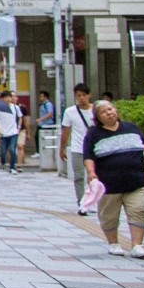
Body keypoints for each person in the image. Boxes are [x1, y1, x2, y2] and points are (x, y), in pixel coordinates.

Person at [86, 97, 144, 259]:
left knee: (139, 211)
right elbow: (88, 156)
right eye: (104, 111)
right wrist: (91, 172)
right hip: (109, 184)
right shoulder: (94, 133)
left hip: (136, 181)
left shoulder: (131, 127)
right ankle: (113, 242)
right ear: (98, 117)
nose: (109, 113)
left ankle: (137, 245)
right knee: (109, 216)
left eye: (111, 109)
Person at [61, 84, 97, 212]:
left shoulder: (96, 110)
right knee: (79, 176)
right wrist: (62, 148)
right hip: (77, 147)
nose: (81, 98)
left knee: (94, 176)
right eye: (78, 96)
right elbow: (66, 131)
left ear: (89, 95)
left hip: (94, 149)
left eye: (84, 95)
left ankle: (92, 201)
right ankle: (82, 202)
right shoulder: (70, 111)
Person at [0, 97, 23, 173]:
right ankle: (3, 163)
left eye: (9, 97)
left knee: (13, 150)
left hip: (13, 132)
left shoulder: (15, 107)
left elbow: (20, 117)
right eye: (6, 98)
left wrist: (19, 127)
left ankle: (12, 167)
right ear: (2, 99)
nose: (8, 99)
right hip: (3, 133)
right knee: (3, 152)